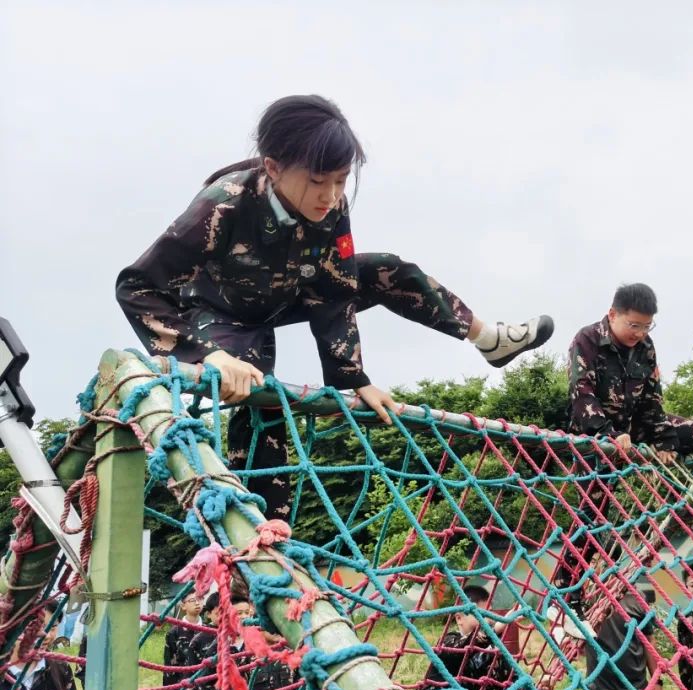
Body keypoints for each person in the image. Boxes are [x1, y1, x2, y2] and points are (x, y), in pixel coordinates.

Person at [116, 93, 553, 521]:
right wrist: (206, 352)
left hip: (288, 292)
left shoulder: (333, 206)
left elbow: (334, 289)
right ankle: (260, 520)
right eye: (317, 181)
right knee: (258, 388)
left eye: (341, 180)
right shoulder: (223, 203)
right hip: (219, 312)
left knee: (387, 269)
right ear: (273, 168)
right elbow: (137, 285)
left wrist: (352, 378)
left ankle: (488, 339)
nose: (330, 195)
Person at [567, 282, 693, 464]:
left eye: (647, 327)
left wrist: (664, 440)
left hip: (633, 426)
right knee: (596, 490)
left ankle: (651, 455)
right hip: (594, 431)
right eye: (634, 325)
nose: (640, 334)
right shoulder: (588, 339)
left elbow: (652, 398)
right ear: (613, 315)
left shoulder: (646, 347)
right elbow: (581, 393)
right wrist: (608, 433)